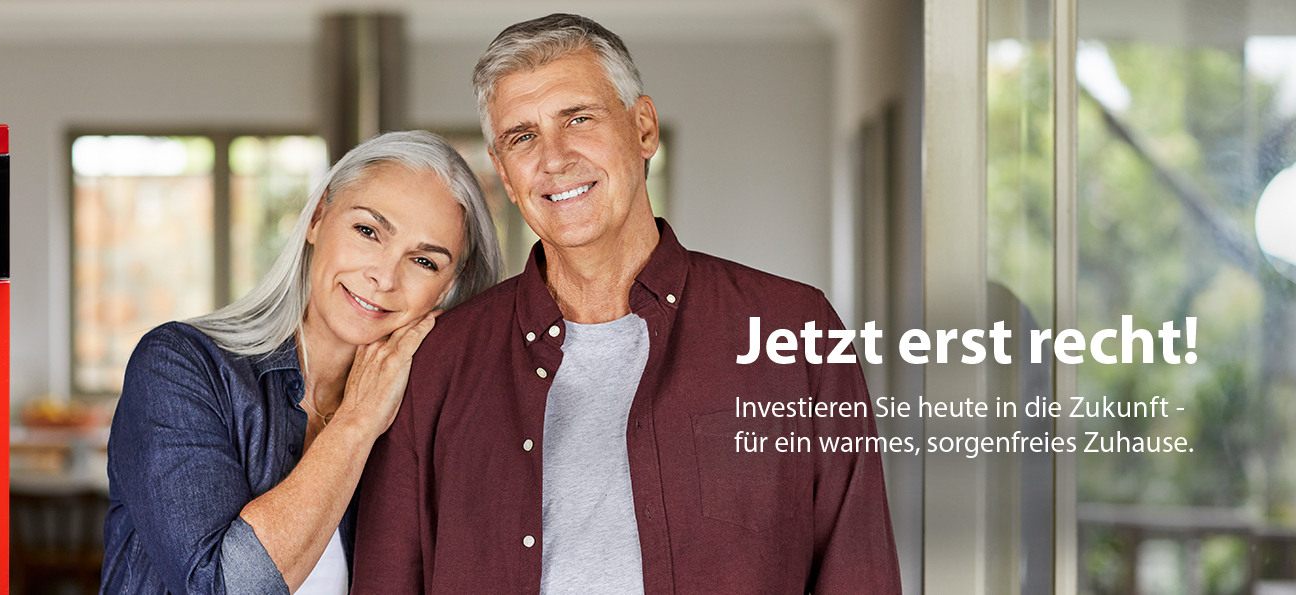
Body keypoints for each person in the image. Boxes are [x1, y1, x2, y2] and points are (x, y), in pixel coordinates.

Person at [353, 14, 901, 594]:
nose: (555, 158)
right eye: (523, 137)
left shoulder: (794, 331)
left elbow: (858, 570)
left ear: (643, 129)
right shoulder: (438, 363)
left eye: (579, 119)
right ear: (507, 177)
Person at [102, 130, 505, 595]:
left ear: (448, 291)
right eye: (368, 231)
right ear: (317, 217)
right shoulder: (180, 366)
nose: (384, 276)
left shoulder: (420, 424)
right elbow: (220, 586)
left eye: (424, 262)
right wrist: (356, 422)